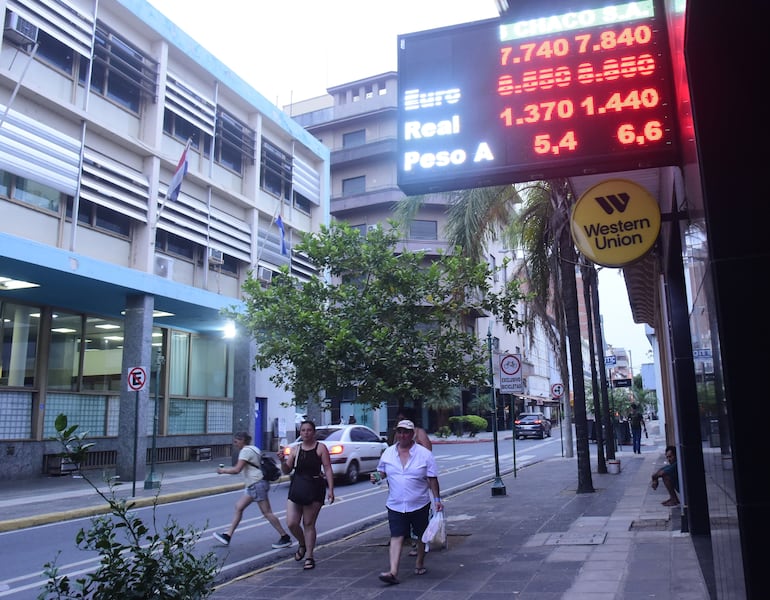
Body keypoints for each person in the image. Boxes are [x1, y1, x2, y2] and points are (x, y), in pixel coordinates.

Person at [371, 419, 443, 585]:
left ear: (412, 434)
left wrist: (437, 499)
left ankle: (419, 562)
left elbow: (432, 479)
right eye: (400, 432)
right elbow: (381, 472)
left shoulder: (424, 454)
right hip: (395, 504)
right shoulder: (388, 453)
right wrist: (376, 477)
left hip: (419, 503)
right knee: (396, 535)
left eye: (406, 432)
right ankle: (393, 571)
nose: (402, 435)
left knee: (420, 535)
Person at [214, 432, 292, 549]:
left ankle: (285, 537)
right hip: (255, 484)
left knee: (267, 513)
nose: (235, 444)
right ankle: (227, 535)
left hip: (256, 484)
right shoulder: (254, 448)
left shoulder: (245, 451)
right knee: (239, 507)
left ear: (242, 440)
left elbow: (237, 469)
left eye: (236, 441)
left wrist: (223, 471)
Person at [279, 420, 335, 570]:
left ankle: (309, 556)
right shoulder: (295, 450)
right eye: (303, 430)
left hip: (314, 488)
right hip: (297, 488)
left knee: (308, 524)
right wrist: (282, 461)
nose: (306, 433)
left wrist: (331, 489)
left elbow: (328, 468)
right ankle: (302, 544)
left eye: (309, 430)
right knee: (291, 523)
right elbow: (286, 470)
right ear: (300, 432)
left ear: (313, 432)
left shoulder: (320, 448)